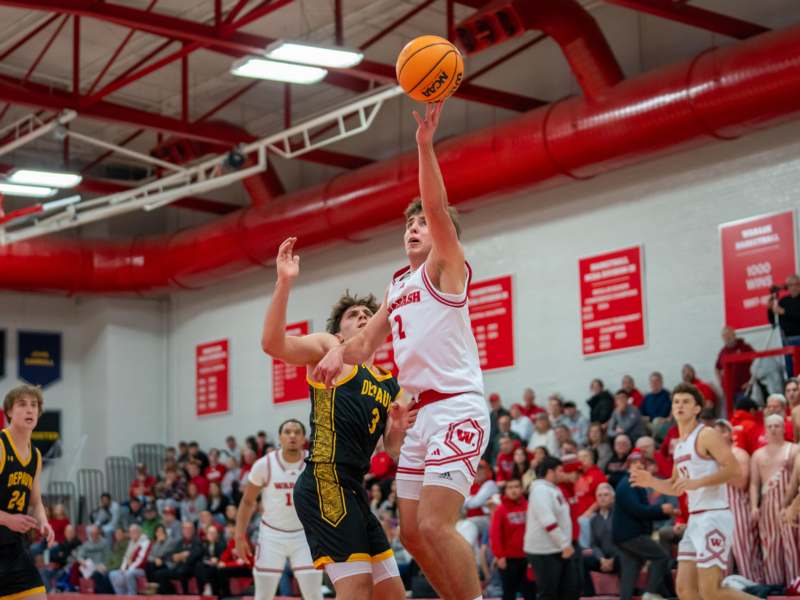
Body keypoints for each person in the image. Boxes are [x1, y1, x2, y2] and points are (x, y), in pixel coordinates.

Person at [313, 101, 490, 600]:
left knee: (435, 524)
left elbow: (436, 207)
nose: (413, 227)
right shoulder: (397, 284)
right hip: (417, 417)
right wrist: (332, 352)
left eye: (421, 223)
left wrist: (424, 145)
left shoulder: (447, 267)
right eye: (407, 224)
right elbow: (366, 343)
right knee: (411, 533)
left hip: (456, 406)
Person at [261, 238, 411, 600]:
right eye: (353, 315)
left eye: (367, 315)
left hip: (354, 487)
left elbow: (392, 450)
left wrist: (403, 426)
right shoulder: (328, 348)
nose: (362, 318)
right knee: (356, 588)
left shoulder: (391, 382)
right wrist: (284, 283)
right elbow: (273, 344)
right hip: (324, 481)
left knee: (391, 593)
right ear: (339, 329)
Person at [631, 383, 758, 600]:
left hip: (714, 516)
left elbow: (734, 469)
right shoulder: (680, 444)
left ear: (697, 409)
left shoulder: (706, 434)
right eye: (676, 401)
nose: (680, 405)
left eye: (686, 401)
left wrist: (698, 482)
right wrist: (651, 481)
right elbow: (675, 487)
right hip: (695, 521)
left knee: (712, 591)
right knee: (685, 590)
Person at [234, 419, 322, 600]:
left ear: (303, 438)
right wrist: (239, 535)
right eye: (287, 432)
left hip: (305, 535)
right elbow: (248, 501)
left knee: (314, 595)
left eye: (297, 432)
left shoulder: (314, 462)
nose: (292, 436)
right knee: (263, 595)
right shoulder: (264, 464)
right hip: (271, 535)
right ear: (280, 437)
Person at [0, 385, 54, 599]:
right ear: (9, 412)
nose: (30, 410)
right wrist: (6, 519)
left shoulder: (36, 456)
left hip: (13, 550)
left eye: (34, 405)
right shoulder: (2, 447)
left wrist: (43, 522)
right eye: (22, 404)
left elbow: (35, 502)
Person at [613, 449, 673, 600]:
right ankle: (651, 593)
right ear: (628, 466)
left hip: (625, 536)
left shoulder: (632, 484)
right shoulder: (628, 484)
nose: (639, 465)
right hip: (632, 535)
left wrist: (662, 511)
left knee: (630, 572)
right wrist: (661, 510)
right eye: (635, 463)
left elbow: (641, 511)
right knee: (661, 557)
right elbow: (638, 511)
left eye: (641, 463)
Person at [751, 413, 800, 586]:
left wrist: (791, 505)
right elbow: (754, 484)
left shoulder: (793, 449)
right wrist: (754, 506)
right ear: (765, 430)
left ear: (784, 428)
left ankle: (795, 586)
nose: (773, 429)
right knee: (770, 546)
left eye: (777, 426)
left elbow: (796, 482)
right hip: (768, 506)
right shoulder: (757, 455)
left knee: (792, 546)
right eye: (770, 426)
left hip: (790, 505)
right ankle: (774, 587)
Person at [714, 419, 765, 583]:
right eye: (716, 431)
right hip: (718, 511)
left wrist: (721, 470)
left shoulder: (739, 454)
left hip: (738, 510)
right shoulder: (712, 458)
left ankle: (754, 589)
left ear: (730, 434)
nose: (719, 435)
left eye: (723, 431)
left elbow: (742, 482)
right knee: (721, 557)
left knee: (745, 554)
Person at [524, 456, 578, 600]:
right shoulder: (540, 490)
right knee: (548, 594)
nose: (563, 474)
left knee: (569, 591)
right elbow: (548, 521)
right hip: (544, 551)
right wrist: (565, 544)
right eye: (560, 470)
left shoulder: (553, 489)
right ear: (550, 472)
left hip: (557, 548)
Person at [489, 478, 534, 600]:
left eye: (516, 487)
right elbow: (495, 535)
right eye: (510, 487)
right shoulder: (500, 510)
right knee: (509, 594)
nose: (513, 490)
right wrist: (499, 556)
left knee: (531, 593)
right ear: (505, 491)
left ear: (521, 489)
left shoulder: (529, 507)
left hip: (528, 557)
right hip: (509, 559)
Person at [582, 483, 620, 597]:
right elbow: (593, 544)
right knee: (582, 558)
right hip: (602, 560)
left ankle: (630, 592)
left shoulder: (620, 516)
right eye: (599, 495)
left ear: (613, 498)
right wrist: (602, 559)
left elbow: (624, 542)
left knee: (627, 557)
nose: (602, 498)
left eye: (606, 495)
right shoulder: (594, 520)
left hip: (618, 559)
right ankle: (589, 594)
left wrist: (613, 560)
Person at [769, 273, 800, 376]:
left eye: (793, 285)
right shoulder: (784, 300)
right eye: (788, 285)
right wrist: (770, 309)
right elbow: (772, 321)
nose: (791, 288)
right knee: (791, 370)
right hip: (787, 340)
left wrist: (784, 312)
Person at [109, 523, 150, 595]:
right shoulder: (131, 542)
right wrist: (122, 569)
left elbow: (141, 560)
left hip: (141, 569)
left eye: (135, 531)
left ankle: (132, 596)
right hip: (130, 568)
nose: (133, 534)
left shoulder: (145, 542)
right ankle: (121, 596)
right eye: (131, 532)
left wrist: (129, 568)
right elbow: (126, 557)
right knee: (113, 574)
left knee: (129, 574)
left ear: (139, 532)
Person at [716, 326, 755, 401]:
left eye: (729, 334)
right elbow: (717, 368)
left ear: (734, 334)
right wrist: (721, 383)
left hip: (743, 389)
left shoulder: (745, 347)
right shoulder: (723, 352)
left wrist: (751, 382)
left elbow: (757, 364)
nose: (727, 337)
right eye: (724, 336)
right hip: (729, 391)